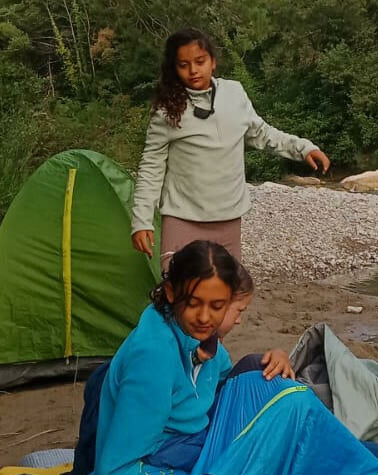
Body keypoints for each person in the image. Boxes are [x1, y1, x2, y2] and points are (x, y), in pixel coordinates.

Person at [130, 28, 330, 263]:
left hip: (228, 219)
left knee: (227, 287)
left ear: (213, 62)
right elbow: (151, 168)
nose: (193, 70)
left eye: (200, 61)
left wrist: (303, 148)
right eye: (183, 65)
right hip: (182, 219)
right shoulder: (166, 111)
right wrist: (142, 220)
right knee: (180, 287)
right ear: (174, 69)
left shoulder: (234, 94)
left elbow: (262, 133)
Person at [92, 240, 291, 475]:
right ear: (171, 293)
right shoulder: (153, 357)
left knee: (267, 379)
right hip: (160, 457)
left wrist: (274, 358)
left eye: (217, 306)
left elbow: (227, 381)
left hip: (191, 441)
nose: (204, 317)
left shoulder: (198, 336)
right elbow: (115, 469)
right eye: (193, 303)